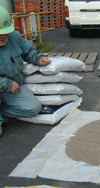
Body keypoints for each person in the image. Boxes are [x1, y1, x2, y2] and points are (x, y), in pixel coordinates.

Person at [0, 6, 51, 136]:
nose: (4, 36)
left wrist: (38, 58)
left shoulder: (14, 37)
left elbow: (28, 51)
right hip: (5, 85)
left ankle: (3, 111)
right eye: (0, 33)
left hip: (13, 87)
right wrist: (6, 84)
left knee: (33, 108)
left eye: (6, 32)